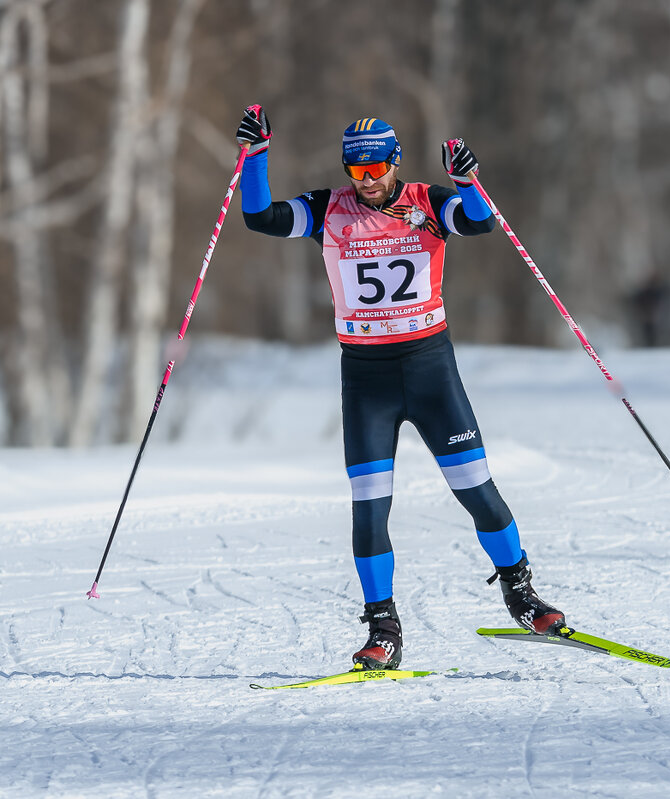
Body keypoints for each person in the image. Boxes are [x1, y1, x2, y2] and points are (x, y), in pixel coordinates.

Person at [234, 104, 565, 670]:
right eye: (355, 172)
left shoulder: (428, 203)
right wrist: (255, 157)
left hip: (429, 368)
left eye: (376, 170)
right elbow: (260, 216)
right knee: (369, 508)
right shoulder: (326, 210)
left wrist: (467, 180)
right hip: (366, 378)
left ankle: (521, 593)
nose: (366, 183)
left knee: (477, 492)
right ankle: (382, 626)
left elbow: (480, 220)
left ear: (395, 163)